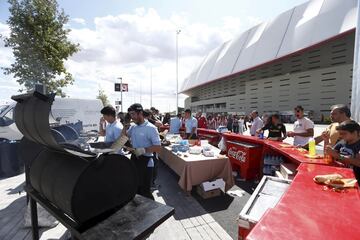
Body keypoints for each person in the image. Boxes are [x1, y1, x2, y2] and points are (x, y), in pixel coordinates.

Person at [126, 103, 161, 200]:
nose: (132, 117)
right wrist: (125, 127)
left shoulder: (151, 128)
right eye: (130, 115)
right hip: (134, 159)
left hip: (146, 162)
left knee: (145, 191)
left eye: (133, 114)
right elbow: (124, 137)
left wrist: (142, 150)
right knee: (135, 188)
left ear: (140, 113)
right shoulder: (133, 127)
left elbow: (158, 147)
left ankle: (153, 213)